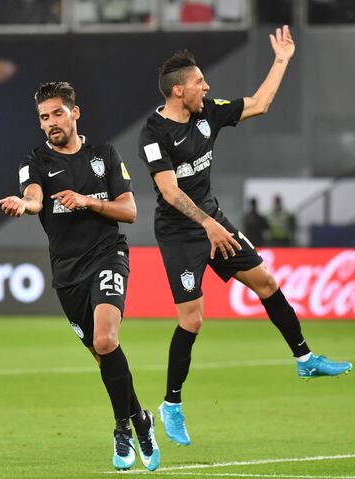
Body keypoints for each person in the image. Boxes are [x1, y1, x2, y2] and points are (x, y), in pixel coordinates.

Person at [138, 26, 352, 447]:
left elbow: (260, 103)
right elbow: (168, 191)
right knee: (193, 319)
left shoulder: (207, 113)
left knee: (267, 283)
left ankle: (305, 359)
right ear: (179, 90)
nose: (208, 86)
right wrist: (207, 224)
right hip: (180, 234)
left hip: (214, 221)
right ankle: (172, 405)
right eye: (200, 81)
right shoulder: (153, 133)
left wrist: (282, 60)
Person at [0, 81, 160, 471]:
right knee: (102, 356)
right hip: (67, 272)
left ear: (75, 112)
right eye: (43, 117)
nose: (51, 122)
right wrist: (27, 202)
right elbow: (36, 197)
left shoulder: (104, 154)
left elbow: (130, 210)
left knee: (106, 340)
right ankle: (140, 418)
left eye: (57, 113)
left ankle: (121, 428)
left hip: (108, 256)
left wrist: (87, 200)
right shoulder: (35, 161)